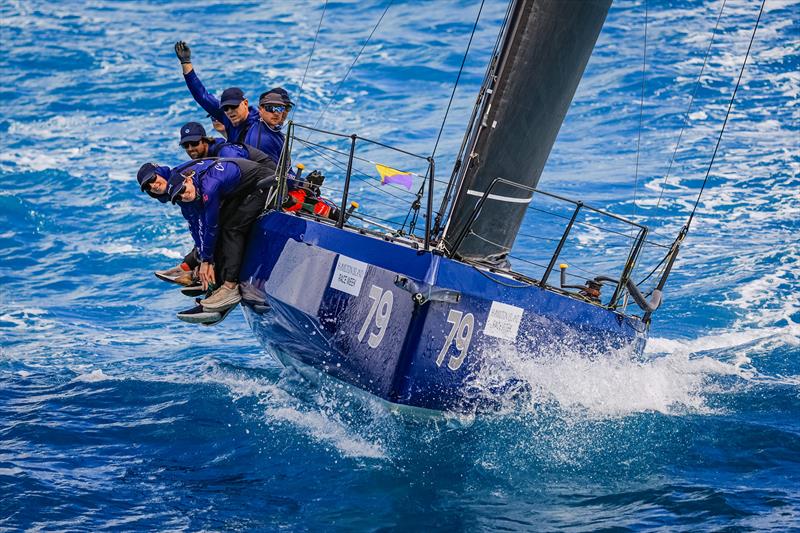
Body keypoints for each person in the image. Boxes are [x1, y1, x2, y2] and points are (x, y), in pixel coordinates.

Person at [165, 157, 277, 313]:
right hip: (242, 190)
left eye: (183, 190)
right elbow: (196, 227)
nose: (183, 196)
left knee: (231, 229)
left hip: (266, 183)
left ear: (189, 180)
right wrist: (202, 259)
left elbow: (210, 225)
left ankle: (229, 286)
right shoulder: (192, 192)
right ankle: (215, 287)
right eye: (178, 197)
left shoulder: (209, 187)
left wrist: (207, 261)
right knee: (215, 235)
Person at [174, 41, 293, 166]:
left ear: (245, 103)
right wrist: (186, 63)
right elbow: (202, 96)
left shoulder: (260, 126)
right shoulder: (227, 118)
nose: (230, 111)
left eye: (234, 106)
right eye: (226, 108)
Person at [137, 162, 201, 286]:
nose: (153, 186)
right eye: (148, 187)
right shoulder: (177, 191)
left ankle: (212, 280)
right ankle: (187, 267)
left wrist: (205, 260)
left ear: (161, 172)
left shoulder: (182, 182)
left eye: (152, 179)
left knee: (211, 237)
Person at [178, 121, 272, 164]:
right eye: (185, 145)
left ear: (204, 141)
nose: (190, 149)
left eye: (194, 143)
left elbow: (247, 174)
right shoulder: (205, 159)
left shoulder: (226, 152)